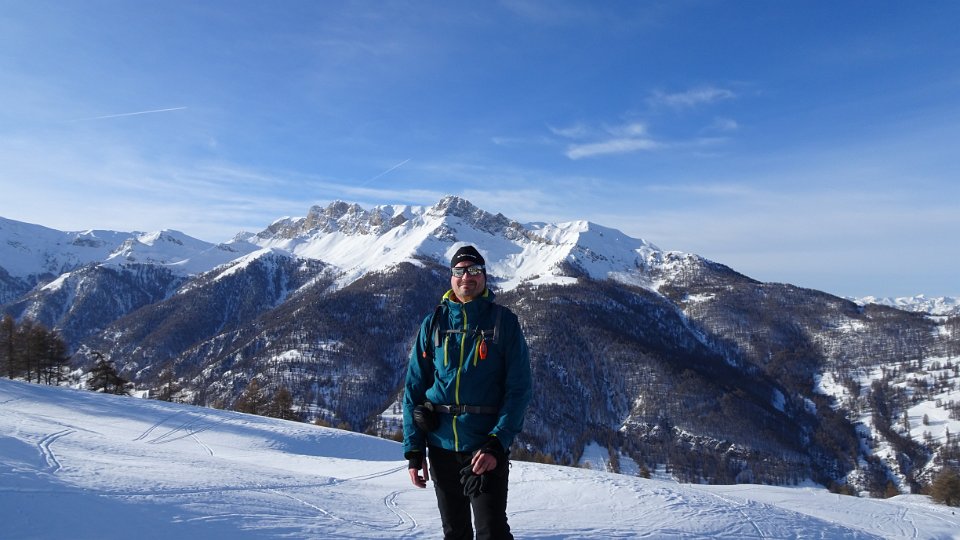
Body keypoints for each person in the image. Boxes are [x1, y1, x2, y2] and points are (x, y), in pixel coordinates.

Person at [402, 244, 532, 540]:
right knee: (455, 532)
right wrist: (414, 451)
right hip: (440, 446)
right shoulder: (434, 323)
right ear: (451, 277)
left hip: (484, 447)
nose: (466, 277)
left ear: (484, 276)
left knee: (492, 531)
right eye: (459, 271)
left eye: (473, 270)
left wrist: (497, 443)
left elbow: (519, 389)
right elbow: (414, 388)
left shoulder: (503, 322)